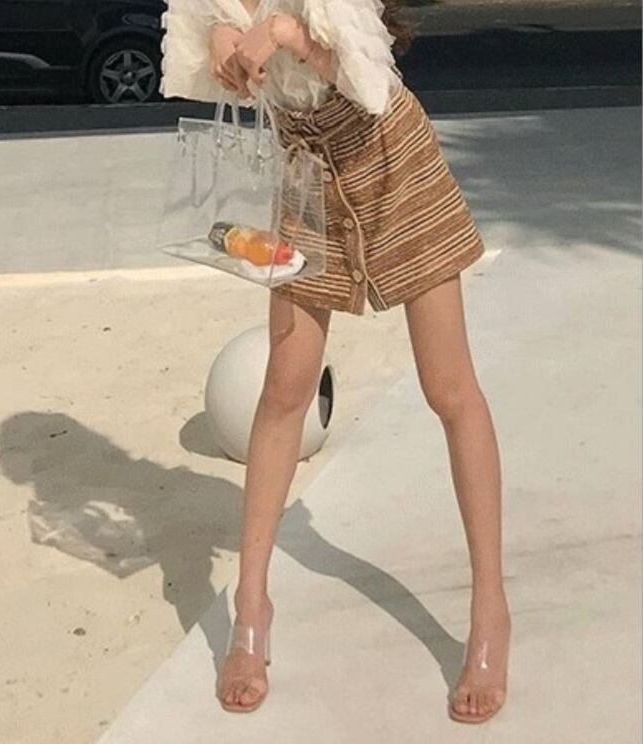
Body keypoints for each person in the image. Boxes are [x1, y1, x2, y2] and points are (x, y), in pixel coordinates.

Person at [160, 0, 511, 724]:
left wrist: (287, 33)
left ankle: (490, 609)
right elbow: (201, 54)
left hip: (391, 162)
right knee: (283, 389)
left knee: (449, 389)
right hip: (305, 174)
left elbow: (367, 79)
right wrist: (222, 41)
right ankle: (251, 608)